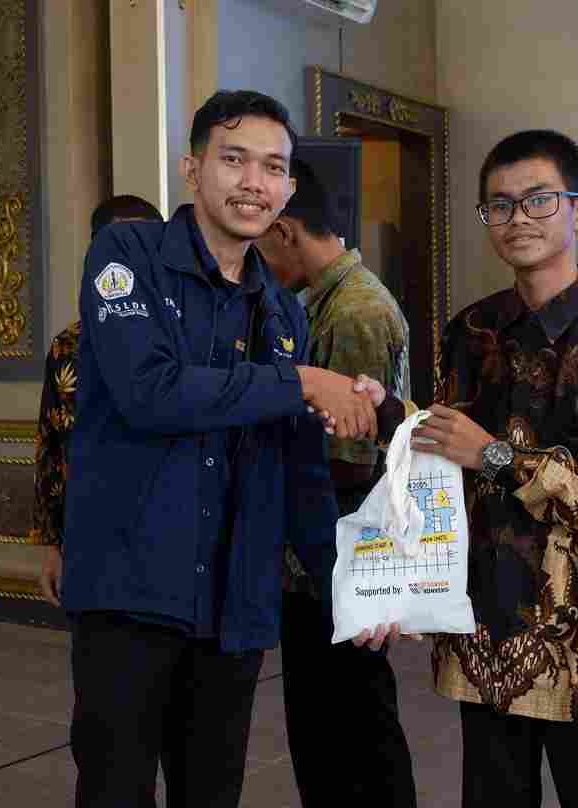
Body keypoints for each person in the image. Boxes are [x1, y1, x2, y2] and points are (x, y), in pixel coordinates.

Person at [60, 89, 395, 808]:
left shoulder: (282, 314)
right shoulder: (127, 255)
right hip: (130, 594)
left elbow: (301, 470)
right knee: (115, 790)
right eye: (234, 159)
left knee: (212, 793)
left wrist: (353, 588)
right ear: (192, 169)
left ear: (289, 188)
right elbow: (149, 391)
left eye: (273, 167)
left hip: (234, 605)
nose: (254, 182)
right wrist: (298, 381)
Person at [411, 130, 578, 808]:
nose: (518, 219)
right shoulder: (469, 332)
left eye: (539, 200)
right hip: (490, 622)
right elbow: (442, 464)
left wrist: (496, 456)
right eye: (500, 205)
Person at [256, 159, 418, 808]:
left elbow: (350, 457)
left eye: (262, 243)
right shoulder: (323, 304)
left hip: (341, 555)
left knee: (353, 730)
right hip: (323, 556)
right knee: (328, 727)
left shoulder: (353, 312)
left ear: (286, 230)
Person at [33, 194, 165, 605]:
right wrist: (51, 545)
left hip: (169, 536)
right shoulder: (69, 346)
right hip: (92, 540)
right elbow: (51, 446)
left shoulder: (182, 336)